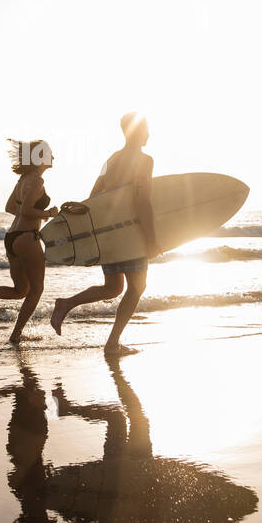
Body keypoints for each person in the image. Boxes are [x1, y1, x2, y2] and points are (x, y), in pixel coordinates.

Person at [50, 113, 156, 355]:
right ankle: (112, 344)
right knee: (137, 287)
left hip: (108, 229)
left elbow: (94, 195)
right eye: (147, 129)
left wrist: (96, 230)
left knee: (113, 287)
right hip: (129, 231)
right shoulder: (145, 160)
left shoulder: (112, 159)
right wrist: (150, 239)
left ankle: (66, 304)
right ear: (136, 132)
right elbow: (143, 201)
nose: (149, 134)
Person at [0, 139, 58, 344]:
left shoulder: (24, 179)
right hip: (26, 238)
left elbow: (10, 208)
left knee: (20, 291)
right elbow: (24, 211)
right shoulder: (37, 181)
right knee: (37, 289)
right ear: (40, 157)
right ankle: (15, 335)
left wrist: (33, 214)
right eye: (50, 153)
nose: (53, 157)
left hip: (12, 238)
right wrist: (46, 213)